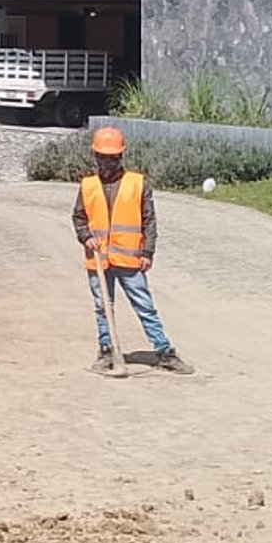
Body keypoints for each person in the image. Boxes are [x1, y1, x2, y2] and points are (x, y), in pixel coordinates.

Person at [72, 124, 194, 373]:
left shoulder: (137, 184)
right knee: (103, 307)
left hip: (130, 260)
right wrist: (86, 238)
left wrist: (148, 252)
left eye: (112, 158)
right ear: (95, 157)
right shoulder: (88, 186)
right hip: (99, 260)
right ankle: (107, 351)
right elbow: (79, 217)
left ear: (120, 157)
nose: (107, 163)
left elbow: (149, 220)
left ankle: (164, 352)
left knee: (144, 306)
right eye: (102, 158)